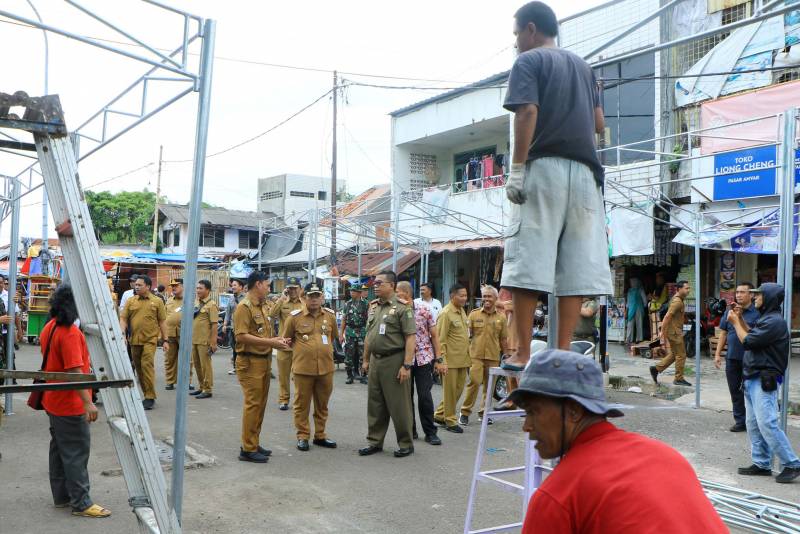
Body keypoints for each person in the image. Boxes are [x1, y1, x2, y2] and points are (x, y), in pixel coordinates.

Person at [499, 1, 612, 372]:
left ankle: (523, 352)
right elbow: (599, 124)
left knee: (529, 257)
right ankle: (562, 351)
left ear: (531, 30)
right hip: (585, 175)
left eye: (516, 34)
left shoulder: (528, 62)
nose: (515, 42)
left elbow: (527, 111)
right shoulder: (584, 67)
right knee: (575, 265)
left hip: (543, 166)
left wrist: (517, 169)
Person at [507, 347, 727, 533]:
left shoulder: (558, 497)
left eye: (533, 411)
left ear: (573, 411)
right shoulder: (664, 454)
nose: (526, 426)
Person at [42, 285, 111, 518]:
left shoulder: (50, 327)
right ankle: (81, 503)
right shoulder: (69, 332)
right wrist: (88, 402)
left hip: (53, 400)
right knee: (75, 452)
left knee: (59, 449)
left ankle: (61, 496)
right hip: (69, 403)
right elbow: (75, 371)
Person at [727, 283, 800, 483]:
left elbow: (748, 341)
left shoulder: (775, 322)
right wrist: (740, 319)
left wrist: (734, 323)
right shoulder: (766, 319)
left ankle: (792, 463)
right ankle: (762, 463)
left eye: (758, 294)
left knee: (767, 423)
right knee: (752, 424)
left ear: (768, 297)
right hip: (752, 377)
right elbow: (752, 334)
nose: (755, 297)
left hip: (763, 379)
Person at [233, 271, 291, 463]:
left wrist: (275, 340)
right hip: (249, 361)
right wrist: (270, 342)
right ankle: (247, 449)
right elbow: (240, 336)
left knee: (260, 405)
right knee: (253, 404)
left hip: (263, 360)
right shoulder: (244, 307)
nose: (269, 288)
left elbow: (262, 334)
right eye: (267, 285)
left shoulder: (263, 306)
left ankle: (253, 442)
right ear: (258, 284)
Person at [359, 270, 417, 458]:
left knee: (399, 405)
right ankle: (375, 441)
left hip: (395, 360)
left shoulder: (403, 308)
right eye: (374, 283)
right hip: (376, 360)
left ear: (391, 285)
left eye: (379, 283)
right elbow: (370, 335)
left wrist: (406, 365)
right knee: (375, 403)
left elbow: (410, 338)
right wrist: (366, 359)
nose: (375, 286)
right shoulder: (374, 307)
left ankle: (406, 443)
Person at [281, 283, 338, 452]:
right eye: (310, 296)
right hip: (303, 369)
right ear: (303, 298)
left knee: (322, 404)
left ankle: (320, 435)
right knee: (302, 404)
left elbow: (332, 336)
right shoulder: (294, 317)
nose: (313, 299)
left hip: (326, 368)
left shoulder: (329, 316)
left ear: (322, 297)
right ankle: (303, 436)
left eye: (317, 296)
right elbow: (286, 340)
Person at [396, 281, 443, 446]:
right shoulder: (396, 311)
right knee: (406, 397)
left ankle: (430, 432)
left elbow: (435, 336)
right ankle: (411, 430)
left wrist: (439, 359)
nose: (396, 296)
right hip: (404, 360)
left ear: (407, 294)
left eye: (398, 293)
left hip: (423, 359)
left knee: (424, 396)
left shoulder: (424, 310)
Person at [460, 285, 509, 426]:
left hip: (493, 356)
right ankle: (464, 413)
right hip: (476, 355)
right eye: (485, 296)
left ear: (495, 299)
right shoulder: (474, 314)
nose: (486, 299)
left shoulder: (501, 318)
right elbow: (467, 336)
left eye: (489, 296)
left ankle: (484, 413)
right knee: (474, 382)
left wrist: (506, 356)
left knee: (489, 387)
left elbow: (503, 339)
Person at [714, 283, 759, 432]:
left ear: (751, 295)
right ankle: (740, 421)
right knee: (735, 390)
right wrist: (717, 354)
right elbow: (724, 333)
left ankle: (755, 420)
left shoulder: (758, 313)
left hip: (750, 358)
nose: (738, 295)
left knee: (752, 391)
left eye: (742, 292)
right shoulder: (730, 311)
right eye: (737, 292)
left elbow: (756, 335)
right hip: (732, 357)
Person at [119, 274, 168, 410]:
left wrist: (165, 340)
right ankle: (146, 394)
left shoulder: (157, 301)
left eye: (140, 285)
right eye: (136, 284)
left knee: (146, 365)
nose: (136, 286)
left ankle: (150, 397)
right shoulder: (131, 301)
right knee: (139, 368)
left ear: (148, 286)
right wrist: (122, 335)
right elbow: (123, 319)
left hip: (150, 340)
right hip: (134, 340)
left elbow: (162, 322)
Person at [433, 283, 471, 433]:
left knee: (458, 390)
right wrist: (441, 361)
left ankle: (439, 415)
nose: (464, 298)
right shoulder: (445, 313)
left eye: (465, 295)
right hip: (450, 361)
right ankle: (450, 421)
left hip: (463, 360)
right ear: (452, 296)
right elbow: (440, 340)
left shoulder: (461, 311)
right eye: (461, 295)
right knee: (450, 392)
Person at [269, 276, 303, 410]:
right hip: (284, 344)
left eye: (295, 288)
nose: (293, 291)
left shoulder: (304, 303)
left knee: (299, 376)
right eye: (290, 288)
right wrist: (281, 298)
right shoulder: (282, 302)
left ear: (300, 289)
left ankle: (298, 400)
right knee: (283, 376)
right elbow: (272, 314)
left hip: (300, 345)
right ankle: (283, 400)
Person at [650, 281, 691, 387]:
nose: (688, 290)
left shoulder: (678, 300)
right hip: (674, 333)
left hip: (674, 331)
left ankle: (656, 369)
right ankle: (678, 378)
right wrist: (662, 332)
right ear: (679, 289)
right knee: (681, 355)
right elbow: (667, 316)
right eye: (686, 288)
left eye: (688, 288)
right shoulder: (677, 301)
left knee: (674, 354)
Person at [163, 278, 195, 391]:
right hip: (170, 333)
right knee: (169, 358)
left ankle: (187, 381)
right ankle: (170, 381)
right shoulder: (169, 300)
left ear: (183, 286)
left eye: (176, 285)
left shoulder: (190, 300)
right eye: (172, 286)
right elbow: (164, 317)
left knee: (187, 359)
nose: (173, 288)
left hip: (184, 333)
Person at [190, 280, 218, 399]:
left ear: (208, 290)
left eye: (200, 288)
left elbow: (215, 325)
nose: (198, 290)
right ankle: (201, 386)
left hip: (204, 341)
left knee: (205, 366)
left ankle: (208, 389)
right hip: (194, 339)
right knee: (197, 365)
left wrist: (213, 342)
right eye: (197, 288)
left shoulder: (211, 305)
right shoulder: (196, 302)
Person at [339, 283, 369, 384]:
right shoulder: (347, 304)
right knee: (349, 355)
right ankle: (349, 376)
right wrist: (341, 334)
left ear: (359, 292)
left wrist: (368, 333)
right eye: (351, 291)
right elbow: (344, 320)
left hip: (362, 331)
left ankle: (363, 375)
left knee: (363, 355)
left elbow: (369, 320)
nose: (351, 292)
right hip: (350, 332)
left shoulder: (366, 304)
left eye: (354, 291)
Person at [224, 279, 245, 375]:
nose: (233, 287)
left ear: (241, 287)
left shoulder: (246, 298)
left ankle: (243, 367)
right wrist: (225, 324)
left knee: (243, 348)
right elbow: (228, 313)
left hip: (243, 328)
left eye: (235, 285)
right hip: (233, 328)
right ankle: (236, 367)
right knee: (234, 348)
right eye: (232, 285)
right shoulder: (231, 298)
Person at [625, 278, 647, 345]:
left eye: (633, 282)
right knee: (630, 324)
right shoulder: (629, 291)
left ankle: (639, 339)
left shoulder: (640, 290)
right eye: (631, 282)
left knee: (638, 324)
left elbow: (644, 301)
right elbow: (628, 303)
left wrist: (643, 306)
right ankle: (629, 339)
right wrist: (626, 310)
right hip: (632, 309)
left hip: (638, 309)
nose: (632, 283)